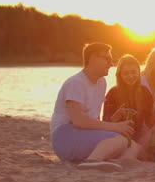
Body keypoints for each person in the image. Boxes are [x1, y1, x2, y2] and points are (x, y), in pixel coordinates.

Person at [50, 43, 135, 172]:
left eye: (111, 60)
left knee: (132, 145)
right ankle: (92, 161)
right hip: (64, 137)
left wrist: (112, 121)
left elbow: (94, 121)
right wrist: (115, 127)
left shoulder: (101, 82)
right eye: (107, 59)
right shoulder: (76, 83)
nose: (111, 63)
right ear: (93, 59)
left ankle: (102, 160)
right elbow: (79, 121)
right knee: (120, 139)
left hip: (81, 134)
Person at [103, 54, 155, 162]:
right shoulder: (113, 93)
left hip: (141, 140)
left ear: (138, 73)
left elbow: (149, 124)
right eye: (126, 73)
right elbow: (105, 125)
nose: (130, 76)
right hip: (121, 141)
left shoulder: (144, 91)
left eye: (133, 72)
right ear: (119, 75)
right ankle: (147, 156)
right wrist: (115, 118)